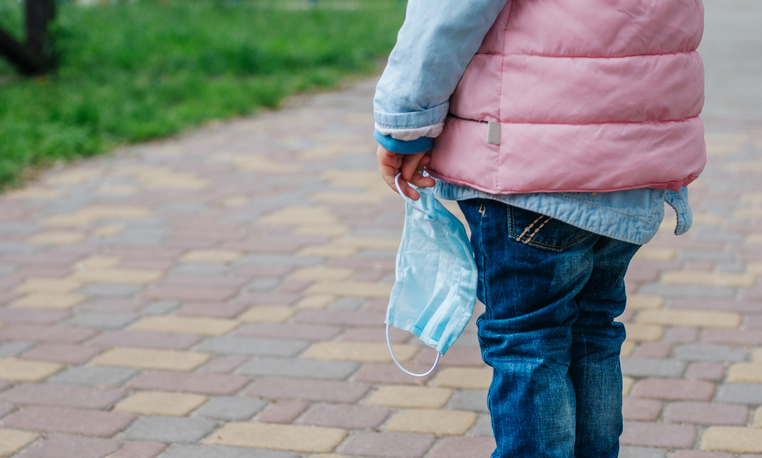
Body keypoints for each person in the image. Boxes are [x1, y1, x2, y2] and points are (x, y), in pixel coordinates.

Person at [374, 0, 706, 457]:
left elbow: (449, 12)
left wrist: (404, 123)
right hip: (631, 164)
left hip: (525, 168)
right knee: (593, 331)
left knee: (529, 344)